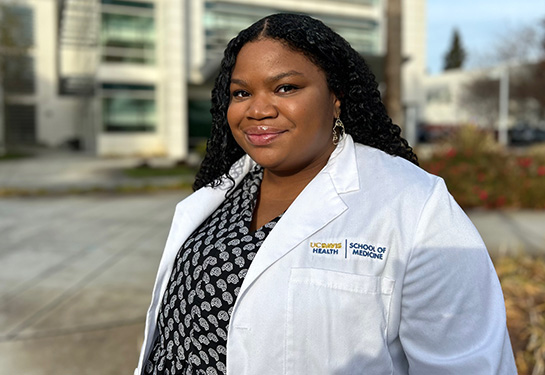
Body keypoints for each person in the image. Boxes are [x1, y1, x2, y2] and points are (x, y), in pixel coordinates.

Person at [135, 13, 516, 375]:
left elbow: (467, 364)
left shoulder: (414, 204)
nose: (258, 109)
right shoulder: (220, 194)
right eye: (241, 92)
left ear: (336, 97)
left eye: (286, 87)